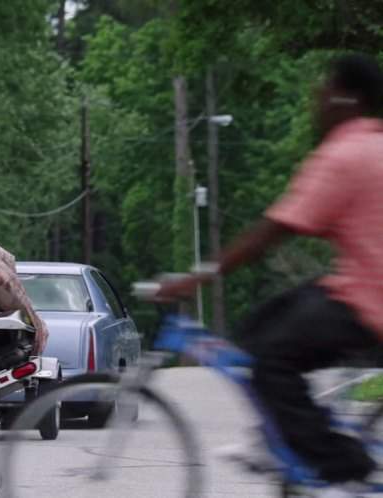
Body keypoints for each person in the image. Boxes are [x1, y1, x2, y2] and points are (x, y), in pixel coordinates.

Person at [157, 53, 383, 492]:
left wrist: (197, 277)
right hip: (357, 287)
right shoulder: (376, 144)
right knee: (263, 323)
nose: (315, 99)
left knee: (270, 358)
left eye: (323, 89)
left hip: (368, 302)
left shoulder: (345, 154)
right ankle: (277, 435)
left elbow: (271, 232)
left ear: (344, 97)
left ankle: (344, 463)